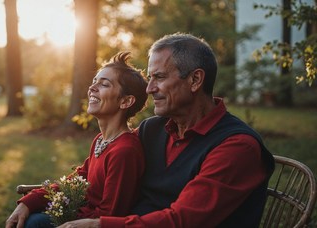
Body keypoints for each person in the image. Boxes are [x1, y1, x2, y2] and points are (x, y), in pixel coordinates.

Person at [58, 33, 275, 228]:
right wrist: (35, 201)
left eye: (159, 77)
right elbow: (103, 162)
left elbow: (182, 221)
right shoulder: (152, 129)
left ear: (195, 80)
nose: (149, 88)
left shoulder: (236, 146)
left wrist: (100, 225)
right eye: (150, 77)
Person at [5, 52, 148, 228]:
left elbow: (109, 215)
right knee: (30, 218)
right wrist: (28, 202)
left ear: (126, 101)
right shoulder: (101, 141)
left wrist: (67, 217)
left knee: (34, 223)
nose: (92, 87)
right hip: (80, 215)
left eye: (104, 84)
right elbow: (74, 183)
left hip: (89, 223)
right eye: (94, 81)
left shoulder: (124, 151)